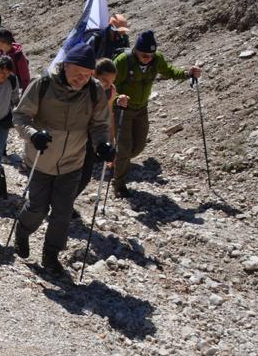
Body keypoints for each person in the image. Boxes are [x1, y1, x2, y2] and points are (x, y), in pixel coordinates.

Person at [12, 43, 113, 277]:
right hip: (41, 159)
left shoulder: (94, 90)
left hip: (72, 162)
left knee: (63, 212)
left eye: (88, 75)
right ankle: (23, 229)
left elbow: (99, 125)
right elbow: (20, 116)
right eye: (78, 73)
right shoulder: (43, 84)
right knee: (37, 208)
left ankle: (50, 255)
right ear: (65, 65)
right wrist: (33, 134)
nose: (82, 79)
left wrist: (102, 145)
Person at [111, 30, 200, 198]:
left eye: (150, 55)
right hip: (122, 110)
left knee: (138, 147)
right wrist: (117, 99)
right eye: (144, 55)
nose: (148, 58)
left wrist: (187, 73)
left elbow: (169, 71)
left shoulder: (156, 59)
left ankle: (115, 160)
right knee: (124, 148)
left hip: (141, 109)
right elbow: (107, 84)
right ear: (136, 50)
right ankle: (119, 184)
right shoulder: (123, 61)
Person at [74, 58, 129, 208]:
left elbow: (108, 117)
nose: (106, 84)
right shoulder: (81, 87)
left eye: (110, 81)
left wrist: (109, 143)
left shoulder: (111, 91)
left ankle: (65, 204)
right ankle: (60, 205)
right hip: (74, 136)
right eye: (103, 79)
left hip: (93, 138)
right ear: (93, 74)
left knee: (84, 177)